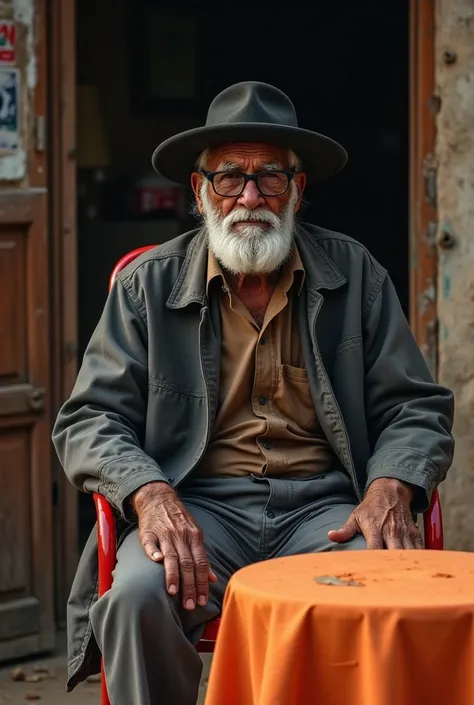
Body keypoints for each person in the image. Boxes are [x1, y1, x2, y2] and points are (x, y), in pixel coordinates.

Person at [53, 81, 454, 705]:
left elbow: (416, 406)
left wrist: (389, 485)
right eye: (228, 178)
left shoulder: (357, 275)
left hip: (327, 515)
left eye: (270, 177)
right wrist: (150, 493)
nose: (249, 196)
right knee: (133, 599)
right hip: (197, 509)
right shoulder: (145, 288)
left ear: (298, 189)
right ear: (199, 191)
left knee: (381, 596)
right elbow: (88, 419)